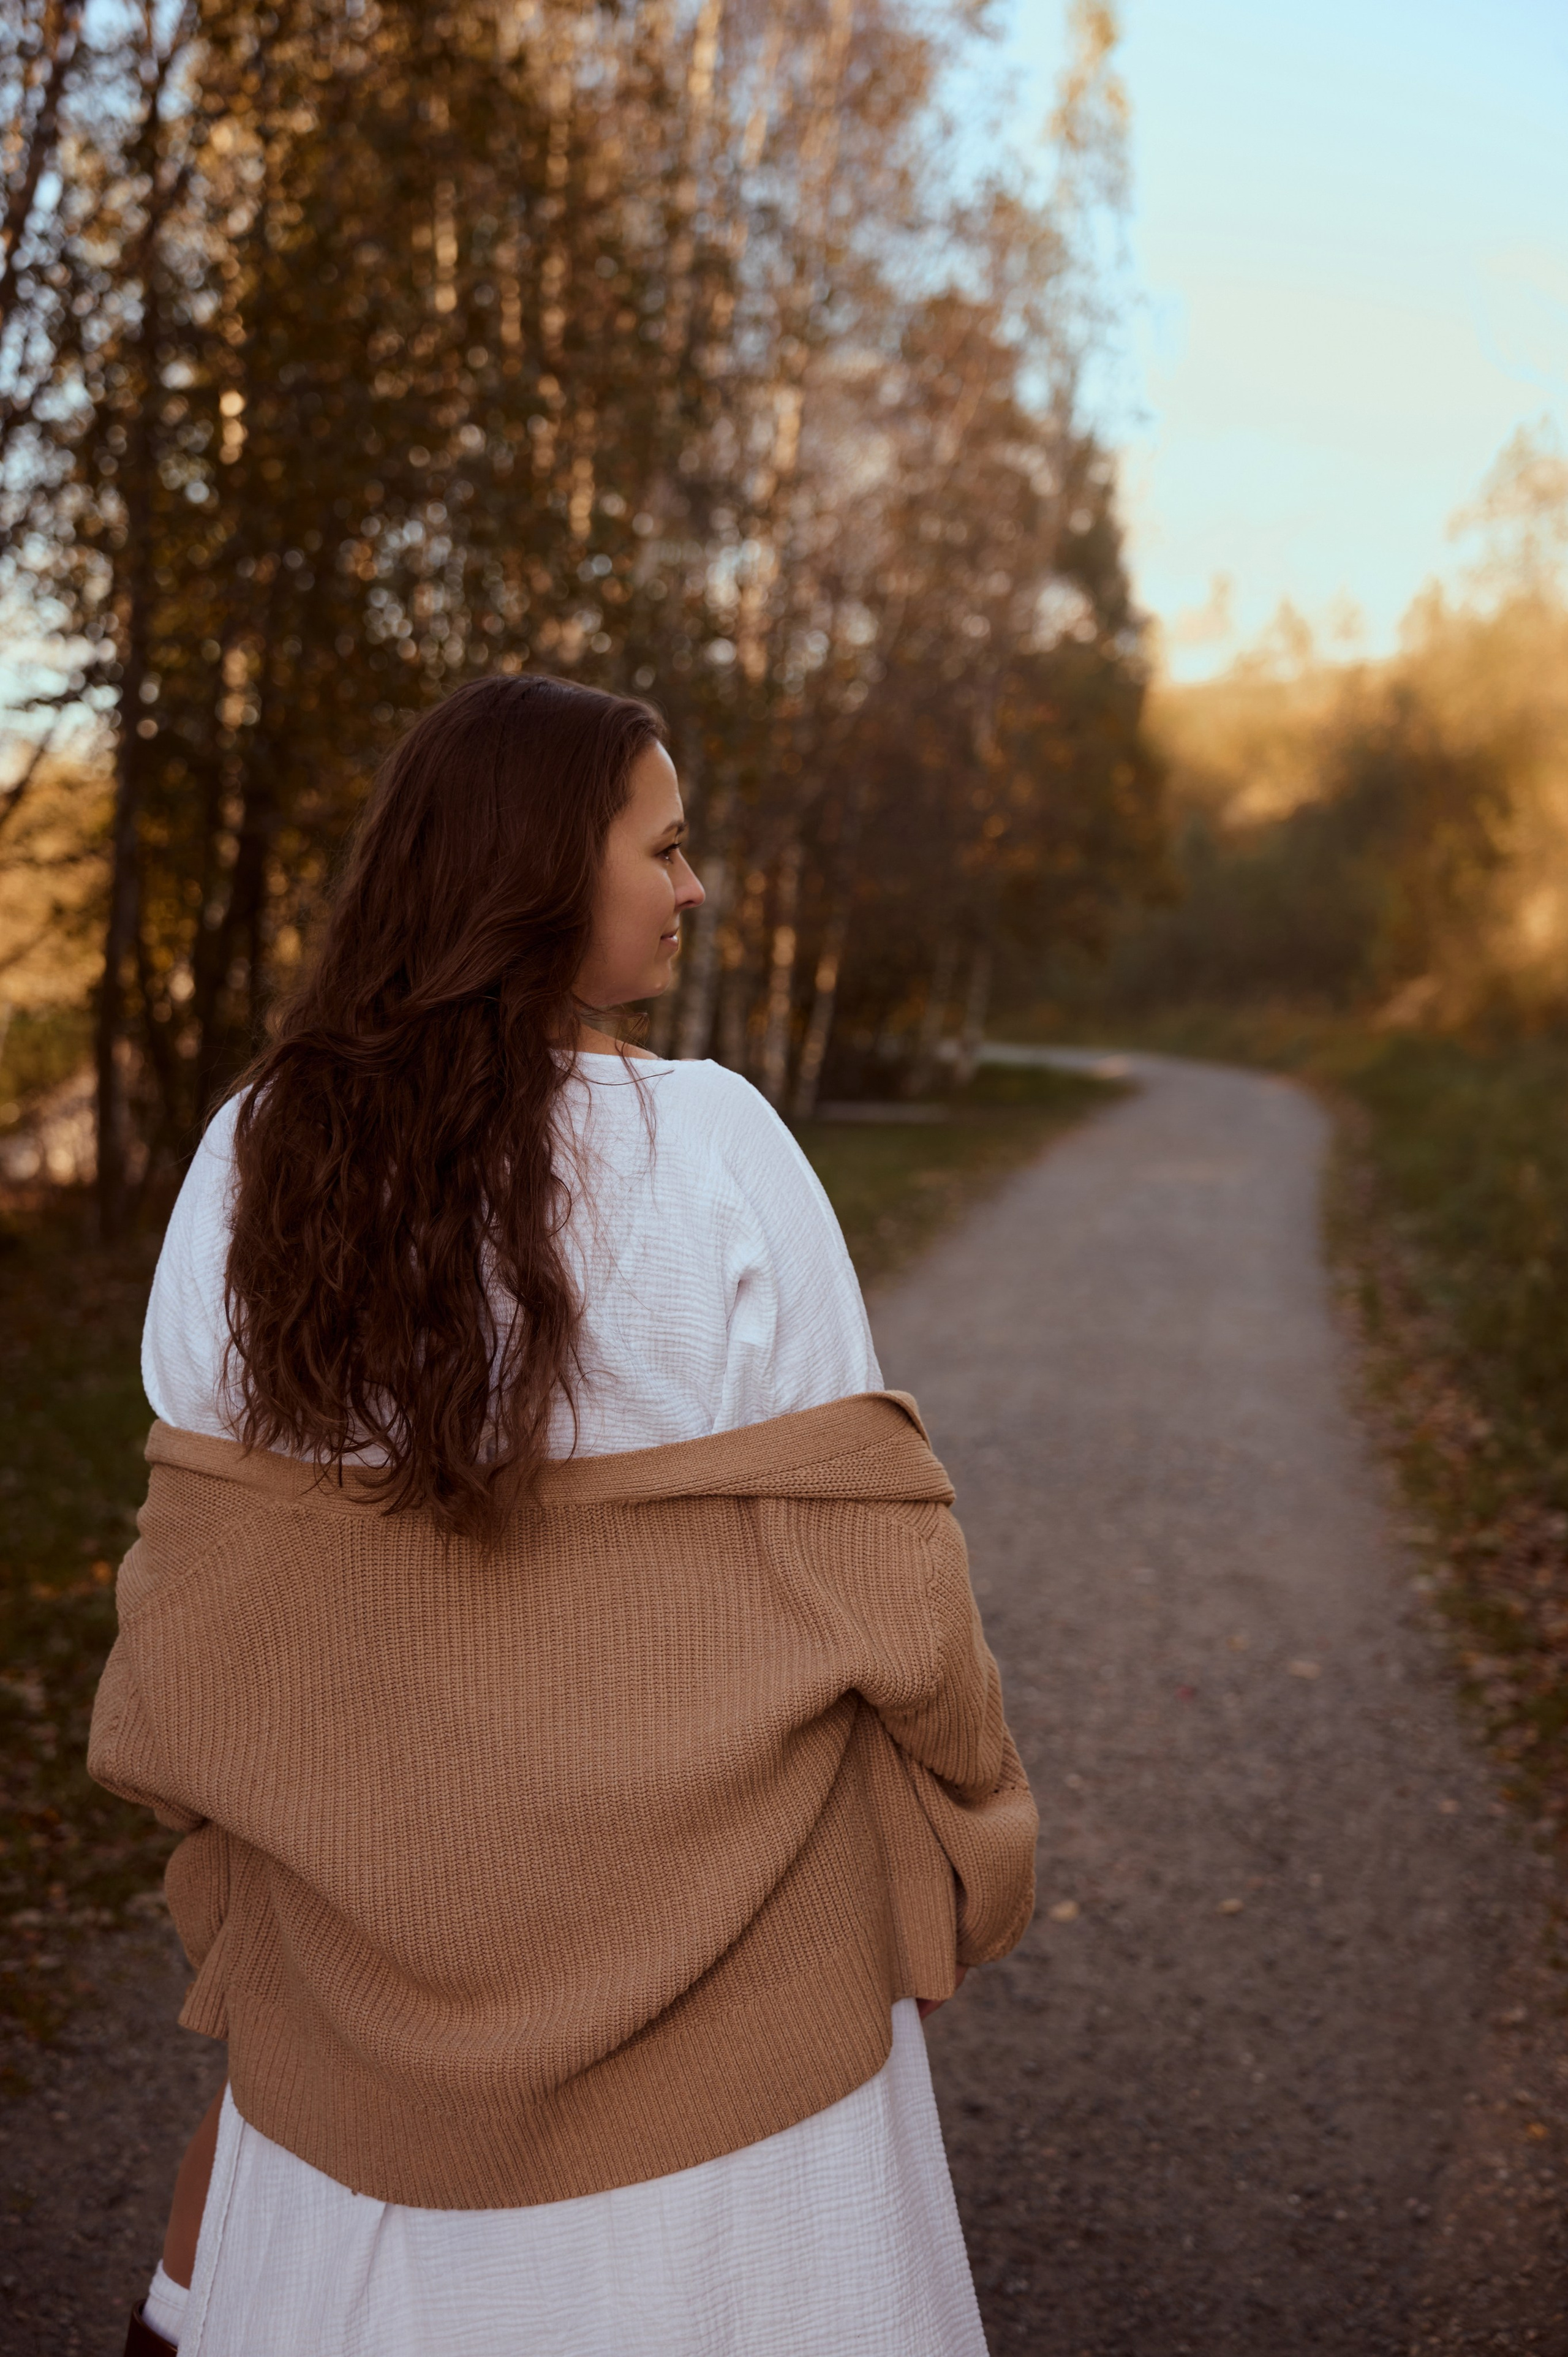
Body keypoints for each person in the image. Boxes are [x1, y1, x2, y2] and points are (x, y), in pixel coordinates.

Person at [90, 673, 1038, 2357]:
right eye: (664, 851)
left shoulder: (253, 1157)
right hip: (746, 2036)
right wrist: (968, 1833)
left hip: (354, 2027)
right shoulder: (723, 1152)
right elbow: (884, 1569)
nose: (693, 889)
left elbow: (200, 1608)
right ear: (535, 875)